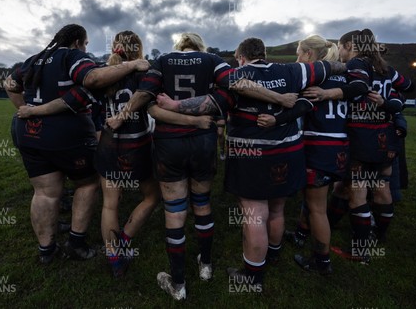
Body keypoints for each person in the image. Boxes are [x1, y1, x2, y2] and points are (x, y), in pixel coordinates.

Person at [109, 33, 298, 300]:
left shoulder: (163, 60)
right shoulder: (211, 60)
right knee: (202, 203)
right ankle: (206, 266)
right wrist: (279, 99)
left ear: (179, 47)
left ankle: (178, 284)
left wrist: (120, 116)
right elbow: (238, 83)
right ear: (199, 46)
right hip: (204, 142)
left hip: (169, 144)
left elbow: (145, 95)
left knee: (174, 212)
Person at [156, 37, 345, 290]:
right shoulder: (291, 69)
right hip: (288, 151)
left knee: (255, 215)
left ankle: (253, 275)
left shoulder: (237, 76)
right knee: (277, 209)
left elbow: (210, 104)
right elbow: (330, 67)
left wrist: (176, 104)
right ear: (264, 53)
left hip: (252, 154)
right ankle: (274, 254)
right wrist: (354, 69)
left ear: (241, 57)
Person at [17, 31, 168, 277]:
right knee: (151, 197)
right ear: (138, 48)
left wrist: (35, 110)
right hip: (137, 146)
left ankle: (113, 256)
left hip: (108, 146)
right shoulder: (146, 73)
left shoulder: (100, 75)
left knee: (110, 204)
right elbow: (152, 100)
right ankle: (124, 240)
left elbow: (69, 101)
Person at [303, 28, 411, 260]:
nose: (339, 52)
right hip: (386, 136)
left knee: (358, 193)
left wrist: (328, 94)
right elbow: (408, 86)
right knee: (380, 186)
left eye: (340, 46)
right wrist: (391, 102)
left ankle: (361, 251)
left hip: (363, 136)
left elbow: (359, 87)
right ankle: (376, 236)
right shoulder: (386, 69)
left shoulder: (356, 65)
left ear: (350, 45)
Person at [264, 35, 347, 275]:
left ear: (310, 55)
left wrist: (275, 118)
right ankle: (301, 234)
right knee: (312, 201)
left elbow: (300, 107)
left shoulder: (312, 80)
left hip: (319, 147)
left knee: (317, 208)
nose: (297, 58)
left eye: (300, 53)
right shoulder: (342, 77)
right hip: (340, 146)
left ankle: (322, 262)